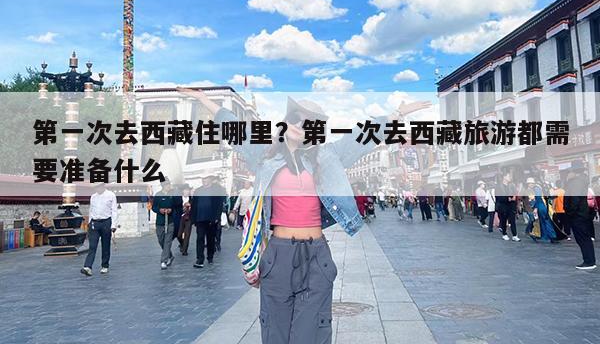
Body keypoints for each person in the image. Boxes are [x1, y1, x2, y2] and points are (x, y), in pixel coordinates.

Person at [177, 86, 430, 344]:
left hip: (316, 255)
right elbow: (233, 128)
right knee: (275, 333)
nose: (299, 124)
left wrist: (397, 114)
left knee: (311, 334)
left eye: (308, 121)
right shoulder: (263, 153)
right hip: (278, 254)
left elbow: (362, 136)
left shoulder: (328, 155)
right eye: (295, 117)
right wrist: (203, 99)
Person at [80, 183, 118, 276]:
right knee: (92, 246)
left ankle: (105, 265)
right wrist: (90, 222)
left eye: (98, 187)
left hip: (106, 222)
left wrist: (114, 225)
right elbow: (91, 210)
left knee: (105, 245)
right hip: (94, 223)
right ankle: (88, 266)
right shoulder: (93, 197)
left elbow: (114, 211)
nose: (97, 189)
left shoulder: (111, 195)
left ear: (103, 186)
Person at [565, 160, 596, 270]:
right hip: (582, 213)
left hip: (577, 215)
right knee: (585, 238)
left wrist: (570, 212)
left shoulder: (576, 182)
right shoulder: (582, 181)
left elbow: (575, 199)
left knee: (582, 238)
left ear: (574, 171)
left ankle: (589, 261)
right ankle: (589, 260)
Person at [191, 174, 226, 268]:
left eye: (206, 178)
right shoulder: (198, 191)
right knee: (200, 239)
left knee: (210, 239)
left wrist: (217, 217)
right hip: (200, 219)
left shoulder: (216, 191)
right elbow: (194, 205)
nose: (204, 180)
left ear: (210, 179)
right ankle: (200, 259)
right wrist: (193, 218)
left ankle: (210, 256)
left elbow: (219, 205)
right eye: (203, 179)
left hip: (211, 219)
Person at [152, 178, 182, 270]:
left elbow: (178, 205)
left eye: (169, 184)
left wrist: (171, 210)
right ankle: (170, 255)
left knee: (168, 241)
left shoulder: (173, 195)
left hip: (170, 221)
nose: (169, 186)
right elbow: (154, 207)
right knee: (161, 240)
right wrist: (159, 210)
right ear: (163, 185)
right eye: (167, 184)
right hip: (160, 221)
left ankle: (163, 261)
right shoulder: (158, 195)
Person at [495, 171, 520, 242]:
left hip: (511, 206)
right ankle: (504, 234)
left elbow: (515, 193)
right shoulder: (498, 186)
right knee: (503, 220)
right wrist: (507, 199)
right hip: (503, 206)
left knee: (512, 221)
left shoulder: (512, 185)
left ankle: (514, 235)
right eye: (508, 176)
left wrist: (514, 197)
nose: (510, 178)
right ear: (504, 177)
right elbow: (498, 197)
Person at [177, 184, 193, 256]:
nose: (187, 191)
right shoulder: (179, 199)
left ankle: (184, 250)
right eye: (185, 190)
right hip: (180, 218)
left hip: (189, 218)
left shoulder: (192, 199)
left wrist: (191, 207)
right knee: (179, 235)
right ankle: (182, 244)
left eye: (188, 190)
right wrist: (183, 208)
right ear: (182, 191)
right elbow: (176, 208)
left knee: (187, 234)